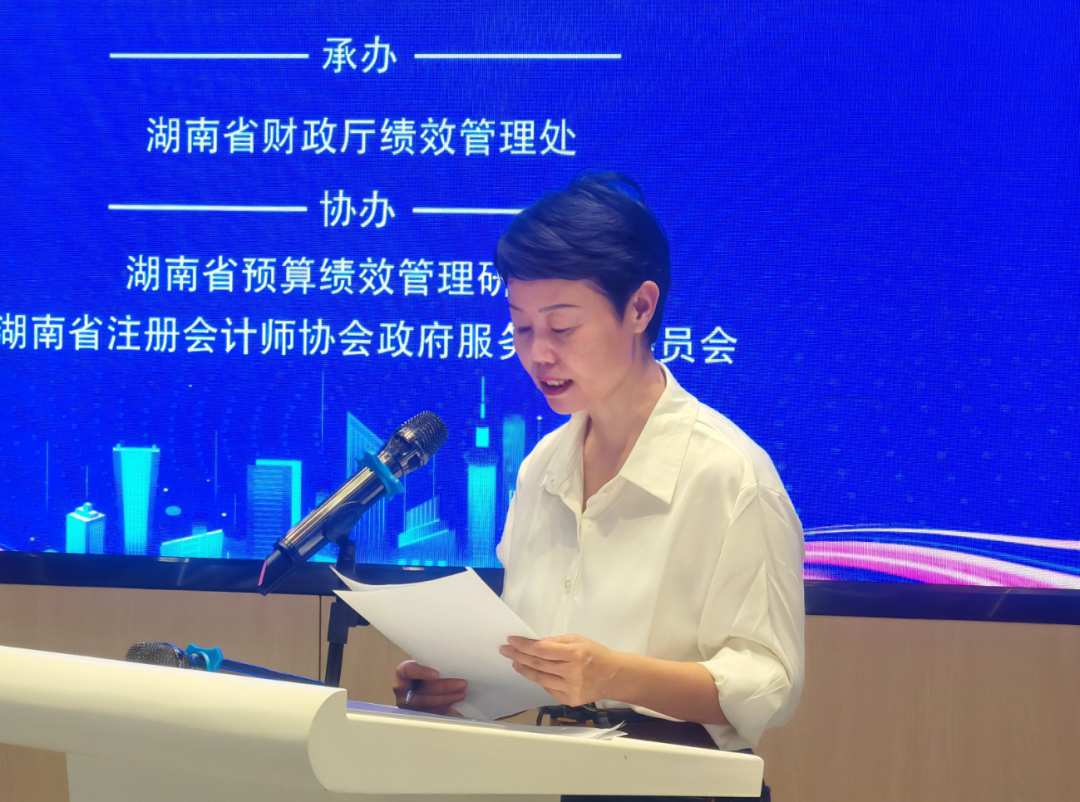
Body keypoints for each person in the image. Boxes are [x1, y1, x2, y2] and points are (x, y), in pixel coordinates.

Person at [393, 172, 804, 776]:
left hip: (668, 781)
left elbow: (769, 684)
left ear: (639, 307)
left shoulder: (731, 476)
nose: (538, 353)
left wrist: (614, 674)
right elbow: (530, 662)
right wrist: (456, 688)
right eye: (522, 326)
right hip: (538, 772)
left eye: (562, 327)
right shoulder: (541, 467)